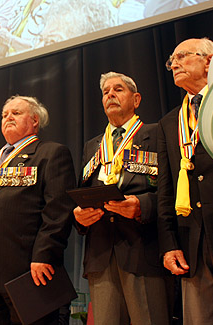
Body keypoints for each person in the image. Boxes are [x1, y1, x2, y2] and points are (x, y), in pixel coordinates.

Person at [73, 72, 170, 324]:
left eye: (118, 89)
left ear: (136, 99)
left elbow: (171, 190)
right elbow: (83, 193)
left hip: (143, 247)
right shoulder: (92, 145)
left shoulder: (156, 133)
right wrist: (79, 216)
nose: (110, 95)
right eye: (106, 92)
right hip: (100, 252)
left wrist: (142, 206)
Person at [0, 95, 76, 324]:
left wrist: (44, 255)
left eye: (16, 113)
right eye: (4, 114)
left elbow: (58, 211)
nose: (8, 117)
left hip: (30, 272)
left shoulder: (50, 153)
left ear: (35, 121)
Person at [157, 37, 213, 324]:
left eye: (182, 56)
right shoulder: (169, 122)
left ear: (209, 60)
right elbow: (165, 191)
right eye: (172, 60)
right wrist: (169, 243)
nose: (174, 64)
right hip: (191, 238)